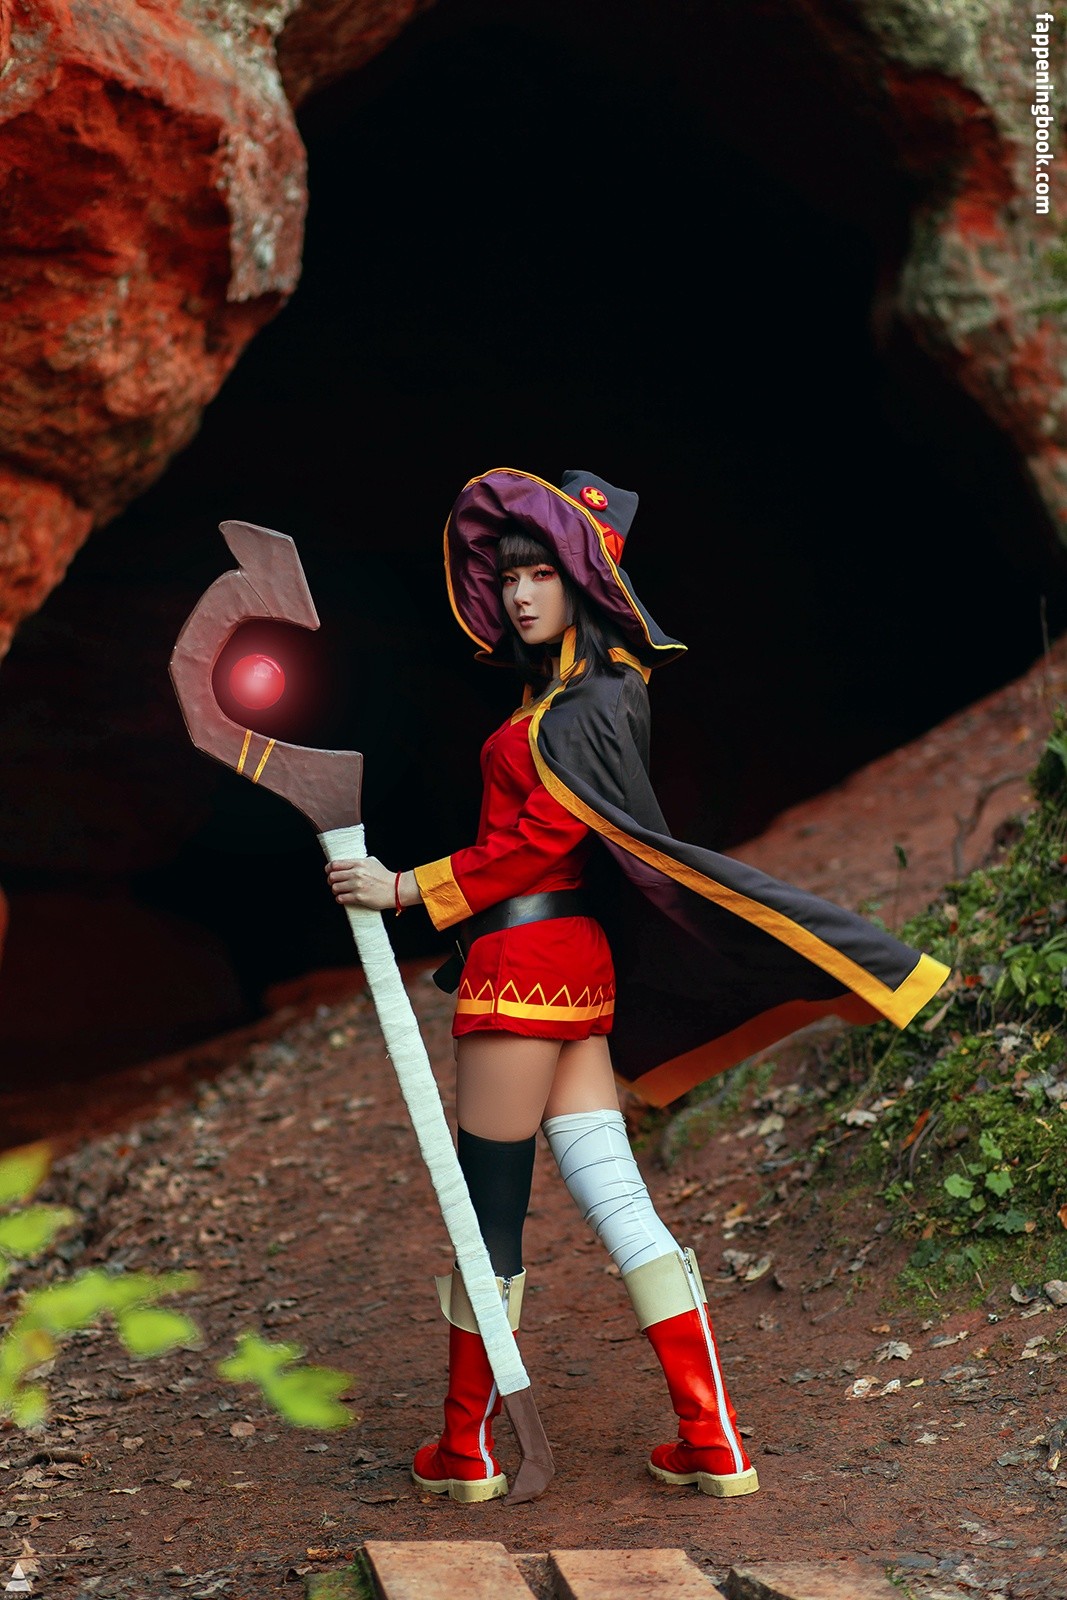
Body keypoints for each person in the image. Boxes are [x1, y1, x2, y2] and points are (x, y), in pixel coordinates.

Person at [327, 467, 950, 1505]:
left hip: (522, 974)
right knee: (617, 1198)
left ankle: (465, 1450)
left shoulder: (582, 704)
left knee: (488, 1215)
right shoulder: (590, 695)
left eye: (539, 573)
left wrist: (405, 886)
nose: (518, 593)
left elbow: (541, 840)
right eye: (507, 575)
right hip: (574, 975)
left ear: (581, 580)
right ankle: (712, 1439)